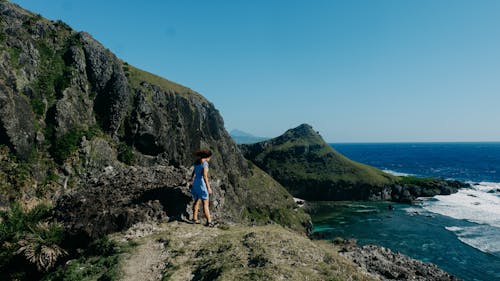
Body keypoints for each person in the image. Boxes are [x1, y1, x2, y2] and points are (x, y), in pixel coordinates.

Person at [190, 149, 214, 227]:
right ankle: (209, 222)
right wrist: (208, 187)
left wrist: (192, 179)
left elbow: (193, 172)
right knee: (205, 203)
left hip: (196, 183)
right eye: (209, 157)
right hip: (201, 184)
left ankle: (194, 219)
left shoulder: (197, 162)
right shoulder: (205, 164)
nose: (210, 159)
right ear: (207, 157)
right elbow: (204, 176)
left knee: (197, 200)